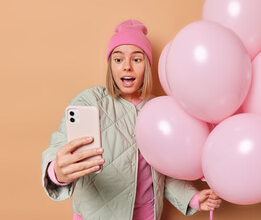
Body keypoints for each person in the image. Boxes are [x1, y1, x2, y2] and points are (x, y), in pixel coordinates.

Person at [41, 19, 221, 220]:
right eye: (118, 60)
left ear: (147, 65)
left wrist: (192, 198)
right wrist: (56, 172)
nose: (127, 67)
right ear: (111, 66)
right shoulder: (90, 101)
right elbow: (59, 144)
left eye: (136, 59)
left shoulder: (161, 110)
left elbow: (164, 171)